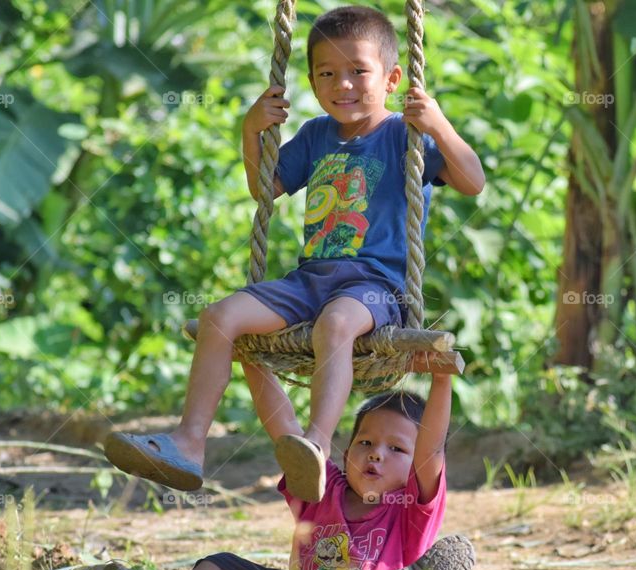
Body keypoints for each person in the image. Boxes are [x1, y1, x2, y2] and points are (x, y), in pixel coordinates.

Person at [102, 5, 485, 502]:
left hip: (374, 288)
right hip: (309, 280)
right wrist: (250, 130)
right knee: (219, 317)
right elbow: (265, 190)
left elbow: (473, 182)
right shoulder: (314, 135)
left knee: (336, 324)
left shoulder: (403, 135)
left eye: (357, 72)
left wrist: (440, 126)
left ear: (392, 78)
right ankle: (189, 444)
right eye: (327, 73)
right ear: (311, 79)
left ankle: (316, 447)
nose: (342, 84)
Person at [98, 363, 475, 570]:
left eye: (396, 448)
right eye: (364, 443)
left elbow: (433, 447)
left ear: (417, 463)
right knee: (219, 567)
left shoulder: (410, 504)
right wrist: (252, 360)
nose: (376, 454)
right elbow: (286, 429)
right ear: (345, 453)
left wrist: (441, 379)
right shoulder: (321, 487)